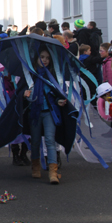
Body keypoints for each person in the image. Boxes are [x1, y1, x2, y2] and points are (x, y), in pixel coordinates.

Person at [24, 48, 68, 185]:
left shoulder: (53, 76)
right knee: (35, 141)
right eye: (42, 57)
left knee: (50, 140)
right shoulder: (29, 75)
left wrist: (59, 101)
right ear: (36, 58)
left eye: (47, 58)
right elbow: (21, 94)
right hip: (34, 113)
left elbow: (55, 94)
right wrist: (24, 95)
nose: (45, 60)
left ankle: (53, 172)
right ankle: (35, 166)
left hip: (49, 112)